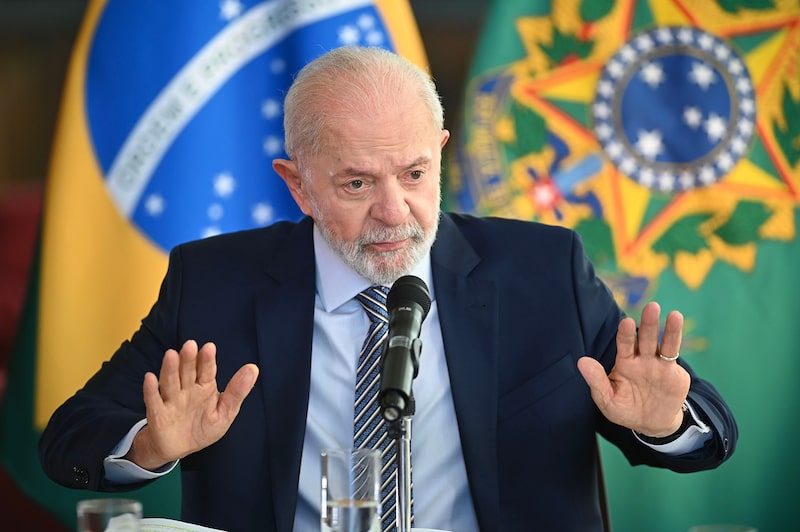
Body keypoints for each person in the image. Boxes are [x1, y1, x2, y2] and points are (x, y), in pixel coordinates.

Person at [39, 46, 737, 532]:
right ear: (297, 185)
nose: (394, 211)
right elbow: (70, 437)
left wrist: (664, 423)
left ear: (440, 153)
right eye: (356, 183)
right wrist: (149, 447)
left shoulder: (543, 270)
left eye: (414, 174)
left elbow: (710, 431)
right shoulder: (216, 282)